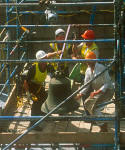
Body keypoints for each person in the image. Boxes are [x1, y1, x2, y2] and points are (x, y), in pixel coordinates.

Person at [23, 50, 61, 131]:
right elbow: (25, 82)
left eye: (45, 59)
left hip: (39, 86)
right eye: (42, 60)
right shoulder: (33, 68)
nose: (44, 61)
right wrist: (28, 93)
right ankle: (32, 124)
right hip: (31, 86)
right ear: (39, 61)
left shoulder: (48, 66)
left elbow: (54, 73)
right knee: (36, 104)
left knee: (45, 98)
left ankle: (43, 113)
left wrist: (56, 54)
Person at [76, 51, 114, 132]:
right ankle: (100, 122)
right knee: (87, 104)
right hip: (98, 92)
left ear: (94, 61)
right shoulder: (88, 71)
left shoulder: (101, 68)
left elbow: (107, 83)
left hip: (108, 91)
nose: (88, 63)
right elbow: (86, 84)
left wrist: (97, 92)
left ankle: (103, 125)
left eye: (89, 61)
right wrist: (80, 94)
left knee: (95, 108)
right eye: (87, 61)